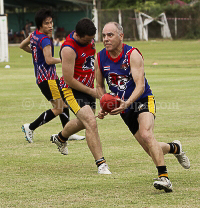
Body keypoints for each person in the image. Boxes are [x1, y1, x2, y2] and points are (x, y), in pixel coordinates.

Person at [96, 22, 190, 191]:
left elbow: (139, 86)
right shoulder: (100, 57)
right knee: (150, 149)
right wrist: (104, 105)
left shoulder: (132, 54)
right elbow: (99, 86)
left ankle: (164, 178)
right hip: (124, 108)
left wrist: (127, 102)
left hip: (143, 99)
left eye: (110, 35)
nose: (105, 39)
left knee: (147, 135)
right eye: (103, 35)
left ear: (121, 36)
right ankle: (175, 147)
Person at [50, 18, 111, 174]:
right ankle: (101, 164)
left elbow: (94, 63)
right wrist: (91, 92)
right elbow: (69, 79)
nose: (90, 42)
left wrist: (98, 86)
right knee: (91, 121)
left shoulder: (89, 41)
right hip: (72, 89)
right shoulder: (68, 49)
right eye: (87, 40)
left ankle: (61, 138)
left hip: (88, 86)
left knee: (84, 122)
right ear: (77, 35)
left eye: (92, 39)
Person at [19, 8, 85, 144]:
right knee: (59, 108)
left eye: (51, 22)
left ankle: (67, 132)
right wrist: (64, 60)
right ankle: (30, 127)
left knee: (64, 103)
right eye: (46, 23)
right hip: (48, 79)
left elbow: (22, 46)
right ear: (40, 25)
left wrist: (36, 54)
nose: (50, 26)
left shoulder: (34, 35)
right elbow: (49, 60)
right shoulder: (45, 40)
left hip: (44, 78)